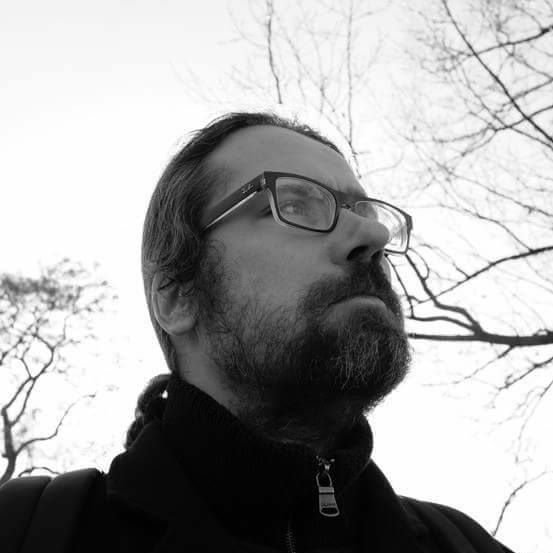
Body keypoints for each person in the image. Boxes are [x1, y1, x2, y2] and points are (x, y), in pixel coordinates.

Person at [3, 111, 516, 553]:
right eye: (295, 204)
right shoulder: (29, 530)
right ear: (178, 296)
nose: (373, 233)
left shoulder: (463, 544)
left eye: (366, 212)